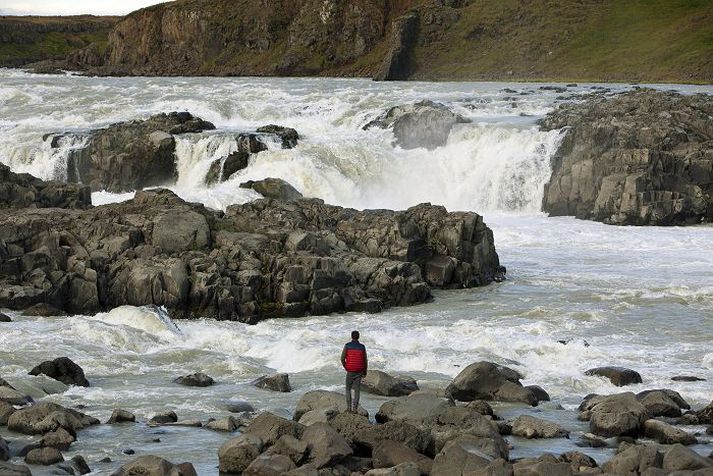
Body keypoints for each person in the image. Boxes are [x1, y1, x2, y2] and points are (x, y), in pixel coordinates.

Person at [340, 330, 367, 413]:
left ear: (351, 337)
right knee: (357, 390)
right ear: (358, 337)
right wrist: (365, 371)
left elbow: (342, 358)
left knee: (348, 389)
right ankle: (355, 409)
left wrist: (346, 367)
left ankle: (349, 408)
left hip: (350, 370)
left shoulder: (347, 346)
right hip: (359, 371)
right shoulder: (362, 347)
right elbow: (365, 360)